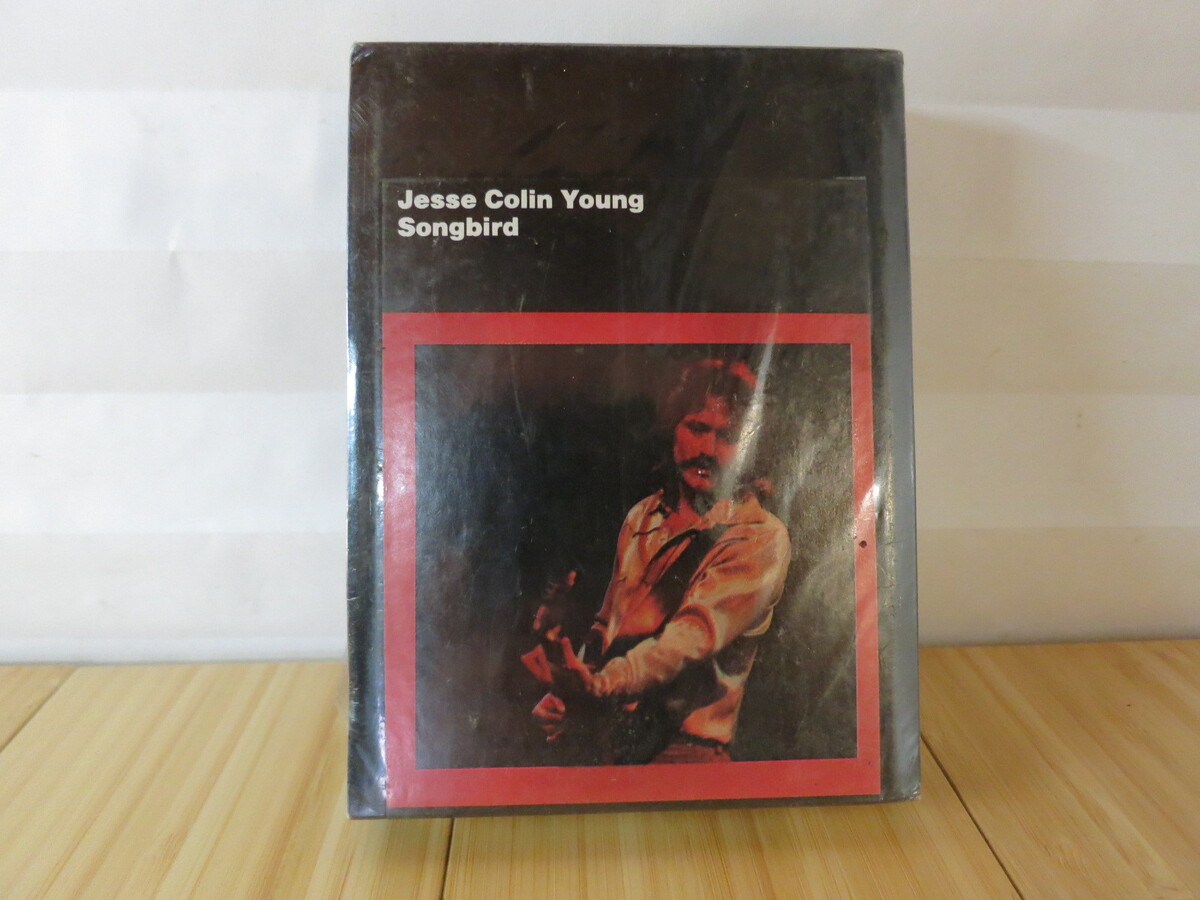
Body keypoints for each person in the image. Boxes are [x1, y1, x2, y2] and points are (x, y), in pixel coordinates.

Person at [523, 358, 791, 764]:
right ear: (673, 429)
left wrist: (598, 686)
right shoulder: (642, 516)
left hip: (686, 754)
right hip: (610, 743)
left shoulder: (759, 536)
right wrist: (569, 692)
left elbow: (686, 641)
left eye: (727, 436)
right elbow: (608, 625)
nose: (707, 450)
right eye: (696, 427)